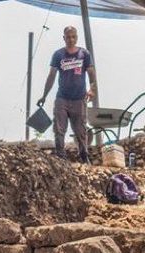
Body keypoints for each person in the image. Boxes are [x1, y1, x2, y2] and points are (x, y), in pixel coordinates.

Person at [37, 26, 97, 163]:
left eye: (73, 36)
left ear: (77, 37)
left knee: (81, 130)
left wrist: (92, 89)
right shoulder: (58, 55)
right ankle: (60, 157)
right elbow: (51, 76)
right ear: (64, 38)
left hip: (79, 99)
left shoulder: (84, 54)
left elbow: (91, 73)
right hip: (62, 98)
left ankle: (84, 156)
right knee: (59, 128)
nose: (71, 39)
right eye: (68, 37)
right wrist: (44, 96)